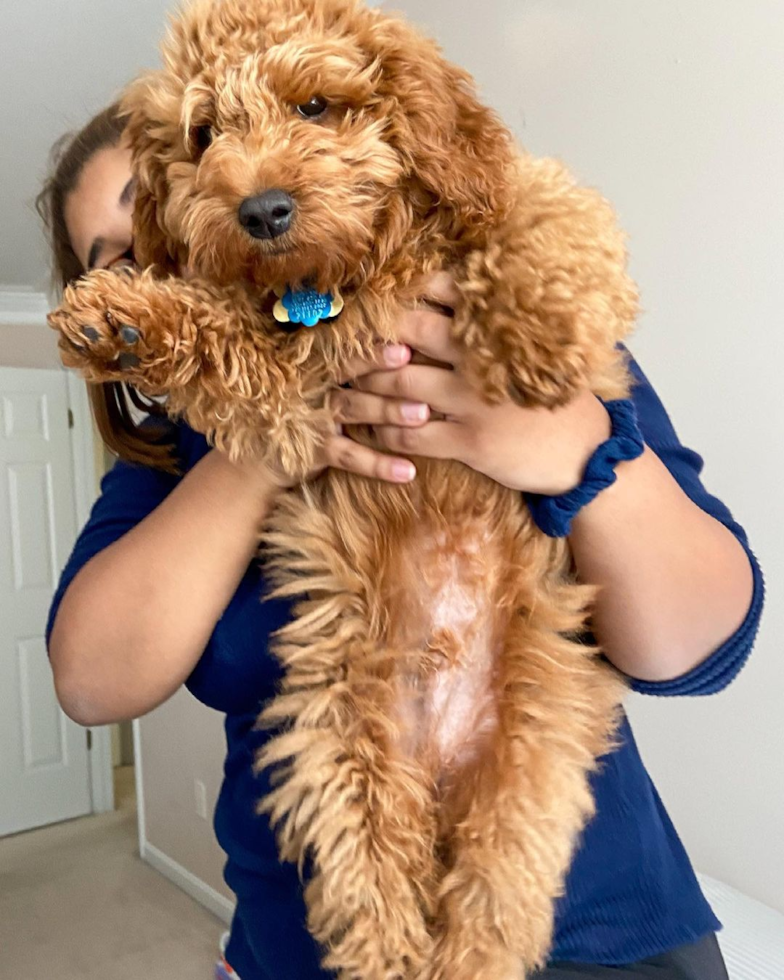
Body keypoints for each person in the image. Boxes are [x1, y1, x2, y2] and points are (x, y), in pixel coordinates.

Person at [39, 104, 763, 980]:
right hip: (311, 942)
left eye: (158, 203)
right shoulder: (173, 454)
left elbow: (697, 650)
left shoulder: (474, 319)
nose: (153, 258)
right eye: (114, 259)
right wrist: (258, 450)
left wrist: (576, 447)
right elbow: (89, 680)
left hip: (588, 930)